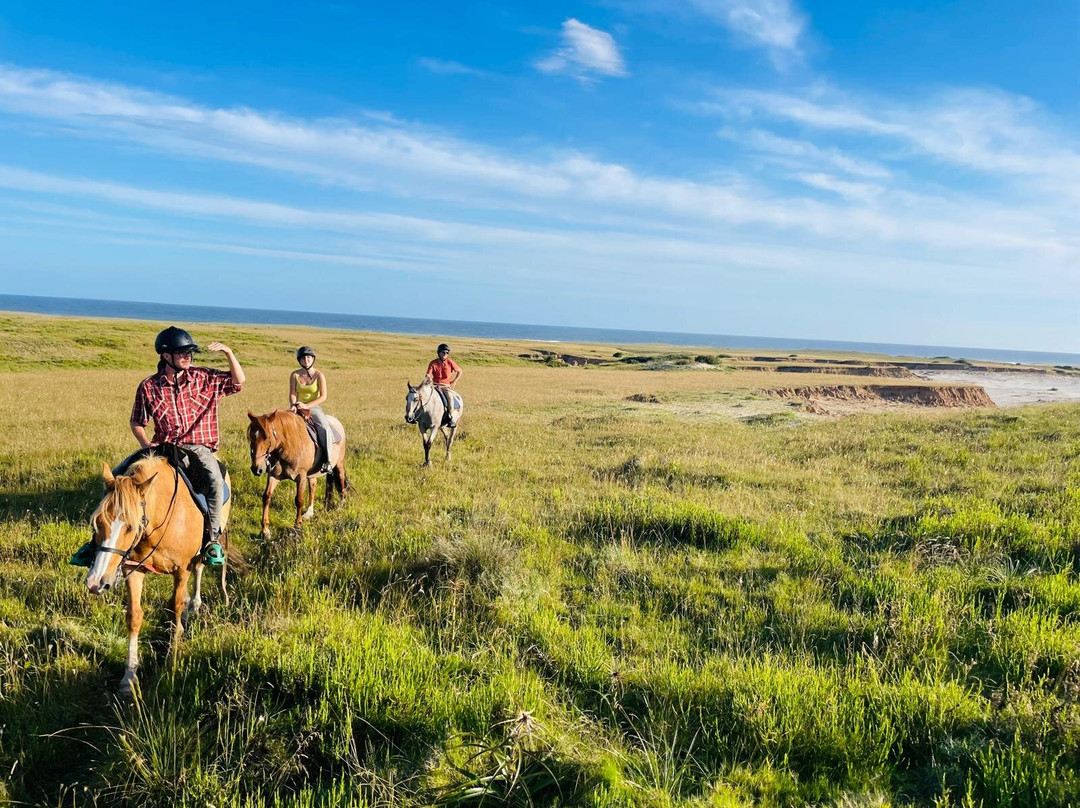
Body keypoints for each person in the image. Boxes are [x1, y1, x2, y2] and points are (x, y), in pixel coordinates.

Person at [72, 326, 245, 569]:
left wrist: (228, 353)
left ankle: (212, 540)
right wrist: (145, 443)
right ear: (166, 356)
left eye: (189, 353)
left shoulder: (204, 378)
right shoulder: (149, 386)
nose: (188, 357)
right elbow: (137, 422)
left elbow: (238, 382)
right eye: (182, 353)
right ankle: (94, 544)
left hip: (198, 447)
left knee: (215, 482)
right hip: (161, 446)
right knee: (115, 480)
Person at [289, 346, 334, 474]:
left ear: (313, 359)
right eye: (304, 358)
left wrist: (307, 406)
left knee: (324, 428)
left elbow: (323, 396)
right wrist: (293, 404)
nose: (306, 359)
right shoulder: (294, 375)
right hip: (297, 406)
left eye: (309, 357)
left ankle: (328, 461)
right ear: (300, 360)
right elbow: (292, 393)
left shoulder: (319, 375)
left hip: (313, 408)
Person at [426, 343, 462, 426]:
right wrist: (428, 378)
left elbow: (460, 371)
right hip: (434, 385)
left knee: (450, 398)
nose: (445, 354)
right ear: (439, 353)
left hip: (445, 386)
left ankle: (451, 418)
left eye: (447, 353)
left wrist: (454, 381)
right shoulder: (433, 363)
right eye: (443, 352)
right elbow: (428, 374)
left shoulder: (450, 362)